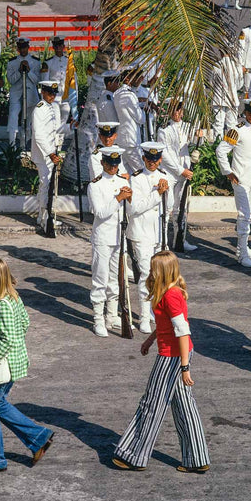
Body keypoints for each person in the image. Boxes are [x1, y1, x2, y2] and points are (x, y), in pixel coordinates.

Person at [113, 250, 210, 473]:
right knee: (184, 406)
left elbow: (183, 332)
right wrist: (149, 340)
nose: (150, 272)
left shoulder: (170, 296)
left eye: (154, 268)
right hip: (175, 355)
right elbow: (167, 326)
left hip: (172, 358)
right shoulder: (169, 293)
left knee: (152, 404)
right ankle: (196, 458)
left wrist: (185, 367)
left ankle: (133, 455)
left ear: (163, 271)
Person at [0, 258, 54, 471]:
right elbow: (25, 322)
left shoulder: (3, 305)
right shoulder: (14, 297)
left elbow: (8, 339)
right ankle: (39, 437)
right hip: (14, 363)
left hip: (2, 366)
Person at [87, 145, 131, 337]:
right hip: (103, 238)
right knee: (100, 279)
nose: (113, 167)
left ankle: (111, 315)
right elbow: (101, 212)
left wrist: (128, 199)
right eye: (109, 164)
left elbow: (130, 210)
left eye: (116, 164)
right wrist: (119, 198)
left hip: (118, 237)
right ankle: (98, 319)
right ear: (103, 163)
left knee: (116, 279)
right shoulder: (95, 185)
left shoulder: (123, 181)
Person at [216, 98, 251, 268]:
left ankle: (244, 246)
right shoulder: (236, 130)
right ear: (245, 112)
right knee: (244, 214)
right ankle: (241, 254)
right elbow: (221, 150)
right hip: (241, 178)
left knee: (249, 214)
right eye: (249, 112)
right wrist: (228, 171)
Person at [127, 142, 169, 333]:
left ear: (160, 159)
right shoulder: (136, 179)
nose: (152, 163)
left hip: (157, 233)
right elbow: (134, 208)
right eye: (148, 159)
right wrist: (157, 195)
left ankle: (153, 310)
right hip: (141, 232)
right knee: (145, 275)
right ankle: (144, 317)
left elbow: (169, 208)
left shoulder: (164, 177)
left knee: (158, 276)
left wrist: (166, 192)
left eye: (155, 160)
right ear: (143, 158)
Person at [158, 98, 198, 252]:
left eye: (180, 110)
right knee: (166, 207)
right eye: (175, 109)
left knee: (181, 209)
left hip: (185, 171)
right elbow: (165, 154)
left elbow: (194, 143)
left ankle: (180, 239)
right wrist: (180, 170)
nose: (178, 113)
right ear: (170, 111)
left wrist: (198, 135)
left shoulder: (187, 127)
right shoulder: (164, 130)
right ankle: (162, 242)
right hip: (170, 172)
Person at [31, 81, 63, 232]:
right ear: (43, 92)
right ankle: (44, 218)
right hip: (44, 155)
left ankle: (43, 216)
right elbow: (39, 135)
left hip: (52, 153)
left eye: (54, 93)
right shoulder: (39, 109)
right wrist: (49, 153)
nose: (52, 96)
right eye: (50, 93)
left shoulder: (52, 107)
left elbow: (54, 130)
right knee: (45, 185)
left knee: (50, 185)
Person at [6, 36, 41, 148]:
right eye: (20, 48)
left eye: (25, 47)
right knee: (13, 117)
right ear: (18, 48)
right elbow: (11, 80)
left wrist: (29, 71)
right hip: (17, 94)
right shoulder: (12, 62)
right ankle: (12, 145)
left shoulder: (35, 62)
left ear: (28, 47)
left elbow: (38, 81)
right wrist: (20, 71)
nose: (23, 50)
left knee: (28, 122)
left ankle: (25, 145)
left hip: (31, 95)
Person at [114, 67, 145, 172]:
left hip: (122, 138)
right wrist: (144, 110)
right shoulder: (130, 95)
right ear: (127, 79)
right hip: (131, 141)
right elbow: (140, 119)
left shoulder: (117, 93)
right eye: (136, 77)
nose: (139, 80)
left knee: (128, 173)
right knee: (142, 171)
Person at [40, 36, 70, 143]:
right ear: (53, 47)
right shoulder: (48, 63)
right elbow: (45, 82)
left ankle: (60, 144)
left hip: (66, 96)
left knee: (64, 120)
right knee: (56, 121)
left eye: (60, 46)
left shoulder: (69, 61)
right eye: (56, 46)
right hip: (54, 97)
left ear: (63, 47)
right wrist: (45, 100)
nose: (58, 48)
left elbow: (73, 80)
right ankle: (55, 144)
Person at [209, 51, 240, 141]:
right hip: (233, 99)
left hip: (219, 99)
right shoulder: (235, 66)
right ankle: (231, 147)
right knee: (232, 125)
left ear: (220, 52)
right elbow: (239, 84)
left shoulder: (216, 65)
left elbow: (211, 82)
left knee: (218, 125)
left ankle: (217, 145)